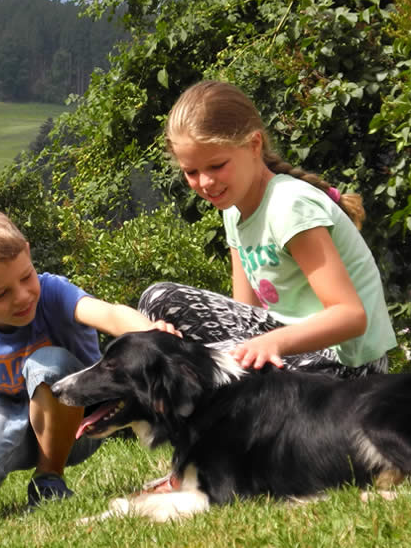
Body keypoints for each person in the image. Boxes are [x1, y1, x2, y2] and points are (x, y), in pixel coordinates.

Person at [0, 207, 175, 540]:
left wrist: (150, 331)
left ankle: (49, 481)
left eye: (25, 276)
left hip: (75, 425)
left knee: (47, 365)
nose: (22, 296)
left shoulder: (53, 293)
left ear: (28, 254)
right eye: (1, 294)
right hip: (9, 419)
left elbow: (110, 314)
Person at [140, 79, 397, 378]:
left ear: (254, 145)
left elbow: (350, 316)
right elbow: (241, 316)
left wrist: (272, 342)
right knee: (159, 305)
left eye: (217, 165)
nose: (206, 182)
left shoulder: (288, 205)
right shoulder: (234, 210)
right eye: (191, 172)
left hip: (349, 366)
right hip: (293, 352)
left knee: (159, 298)